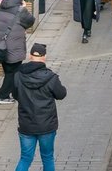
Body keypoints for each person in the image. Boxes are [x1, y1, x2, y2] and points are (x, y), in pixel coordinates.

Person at [13, 43, 67, 171]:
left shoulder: (18, 75)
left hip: (26, 124)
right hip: (46, 125)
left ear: (30, 56)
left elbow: (15, 95)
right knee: (47, 157)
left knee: (25, 158)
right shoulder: (51, 78)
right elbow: (61, 94)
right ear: (45, 57)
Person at [0, 0, 36, 104]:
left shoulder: (0, 8)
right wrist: (25, 7)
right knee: (12, 72)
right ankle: (2, 96)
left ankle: (13, 93)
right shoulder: (20, 10)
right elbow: (31, 21)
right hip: (14, 46)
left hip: (1, 45)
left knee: (8, 70)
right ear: (20, 0)